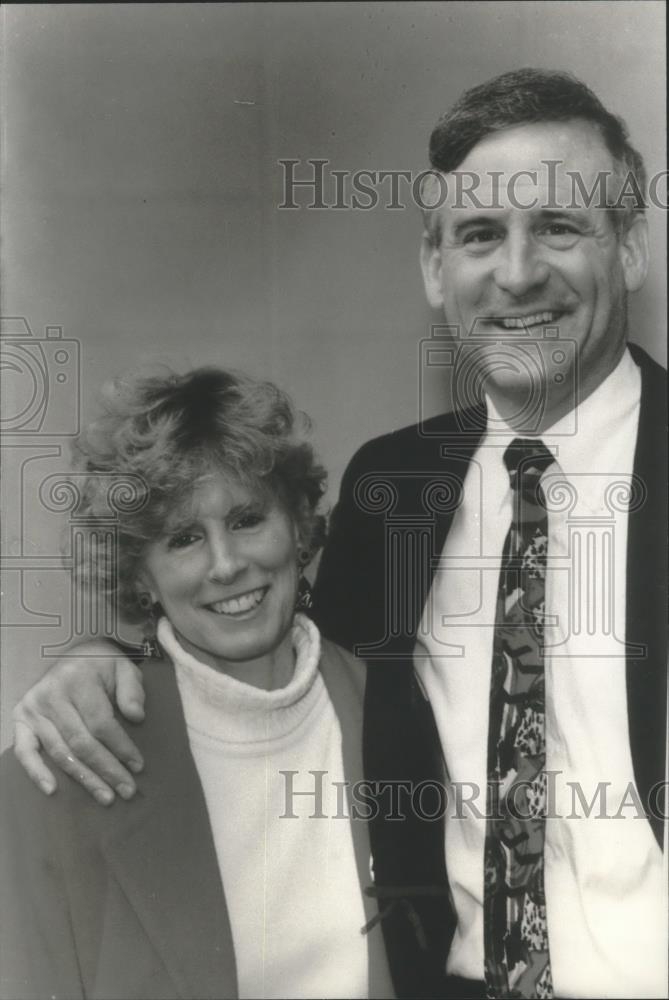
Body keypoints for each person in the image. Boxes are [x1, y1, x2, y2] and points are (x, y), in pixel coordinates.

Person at [9, 69, 668, 999]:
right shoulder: (396, 484)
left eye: (559, 226)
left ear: (630, 245)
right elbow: (276, 641)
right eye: (479, 235)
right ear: (436, 269)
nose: (517, 273)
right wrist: (100, 657)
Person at [0, 367, 405, 1000]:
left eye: (247, 519)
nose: (226, 565)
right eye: (184, 538)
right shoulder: (61, 764)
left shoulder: (400, 712)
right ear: (139, 574)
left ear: (299, 527)